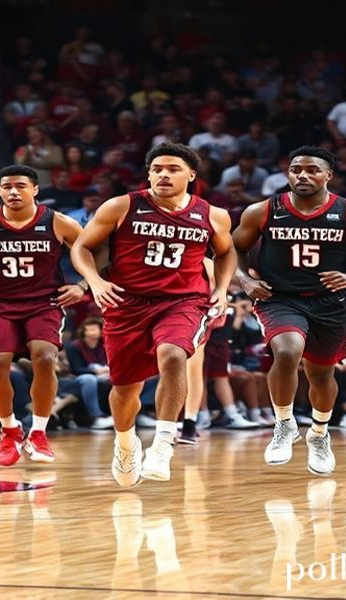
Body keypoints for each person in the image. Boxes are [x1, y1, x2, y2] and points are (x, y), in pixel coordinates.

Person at [71, 142, 236, 486]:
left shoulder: (213, 215)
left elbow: (226, 253)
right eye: (157, 169)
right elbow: (82, 247)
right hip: (126, 305)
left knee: (173, 354)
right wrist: (94, 281)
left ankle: (162, 444)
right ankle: (125, 444)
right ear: (148, 174)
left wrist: (221, 289)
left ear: (191, 175)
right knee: (125, 391)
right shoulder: (121, 206)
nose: (163, 174)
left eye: (173, 169)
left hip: (183, 301)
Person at [232, 145, 346, 476]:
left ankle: (319, 433)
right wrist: (245, 281)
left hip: (330, 302)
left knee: (321, 374)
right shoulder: (262, 211)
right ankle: (284, 424)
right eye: (296, 169)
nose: (303, 175)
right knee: (287, 351)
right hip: (279, 297)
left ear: (328, 175)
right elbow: (232, 251)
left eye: (312, 170)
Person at [0, 164, 86, 467]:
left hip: (44, 302)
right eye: (7, 187)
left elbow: (94, 253)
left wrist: (82, 286)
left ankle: (38, 433)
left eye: (20, 186)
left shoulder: (59, 222)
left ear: (35, 189)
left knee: (45, 358)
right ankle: (10, 429)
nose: (13, 192)